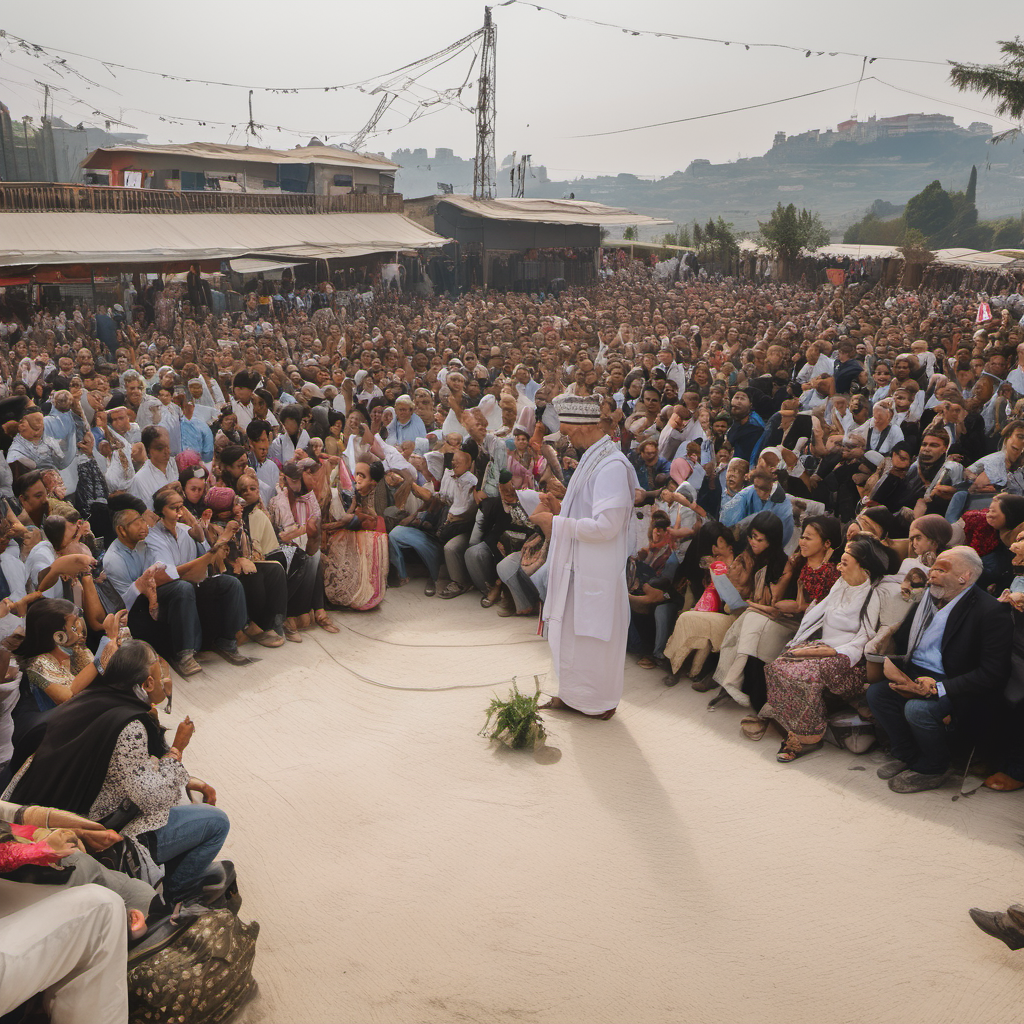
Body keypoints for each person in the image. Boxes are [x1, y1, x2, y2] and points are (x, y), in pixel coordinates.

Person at [7, 639, 228, 907]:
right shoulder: (129, 725)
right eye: (161, 676)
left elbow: (126, 767)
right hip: (91, 841)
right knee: (215, 821)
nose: (166, 682)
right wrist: (177, 750)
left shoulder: (88, 701)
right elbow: (155, 798)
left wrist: (186, 776)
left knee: (182, 786)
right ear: (146, 684)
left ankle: (175, 873)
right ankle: (177, 896)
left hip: (31, 826)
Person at [867, 546, 1013, 793]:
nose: (931, 573)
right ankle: (908, 755)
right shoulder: (927, 601)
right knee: (877, 694)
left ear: (963, 577)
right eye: (932, 568)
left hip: (956, 682)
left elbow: (993, 673)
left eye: (941, 569)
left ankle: (936, 766)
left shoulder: (990, 612)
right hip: (917, 671)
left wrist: (940, 688)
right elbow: (906, 644)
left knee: (918, 709)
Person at [532, 394, 636, 719]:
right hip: (578, 566)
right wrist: (559, 509)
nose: (565, 436)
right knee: (569, 635)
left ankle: (599, 703)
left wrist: (558, 524)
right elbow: (586, 512)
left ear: (585, 426)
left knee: (593, 641)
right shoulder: (593, 458)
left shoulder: (612, 466)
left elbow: (608, 525)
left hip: (598, 572)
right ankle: (568, 694)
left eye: (568, 430)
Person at [760, 534, 890, 763]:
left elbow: (864, 638)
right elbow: (818, 614)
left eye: (845, 563)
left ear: (862, 566)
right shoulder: (840, 584)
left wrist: (827, 653)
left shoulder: (871, 594)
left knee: (805, 675)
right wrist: (801, 645)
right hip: (824, 647)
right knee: (779, 664)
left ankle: (807, 737)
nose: (839, 567)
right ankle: (794, 721)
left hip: (846, 658)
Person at [319, 460, 389, 611]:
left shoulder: (376, 500)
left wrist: (327, 527)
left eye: (362, 476)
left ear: (373, 482)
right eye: (356, 474)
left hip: (368, 538)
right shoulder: (355, 494)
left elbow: (360, 520)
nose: (357, 478)